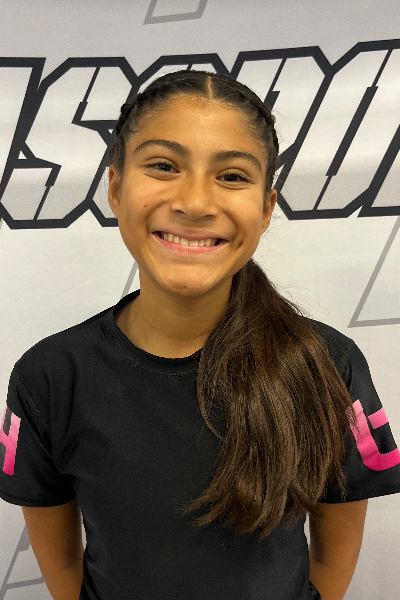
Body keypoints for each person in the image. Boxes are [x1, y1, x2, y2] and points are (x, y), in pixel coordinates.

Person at [1, 70, 400, 600]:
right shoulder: (50, 377)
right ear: (116, 188)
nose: (195, 202)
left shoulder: (327, 363)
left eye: (232, 175)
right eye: (164, 166)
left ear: (266, 209)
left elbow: (332, 555)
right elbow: (63, 564)